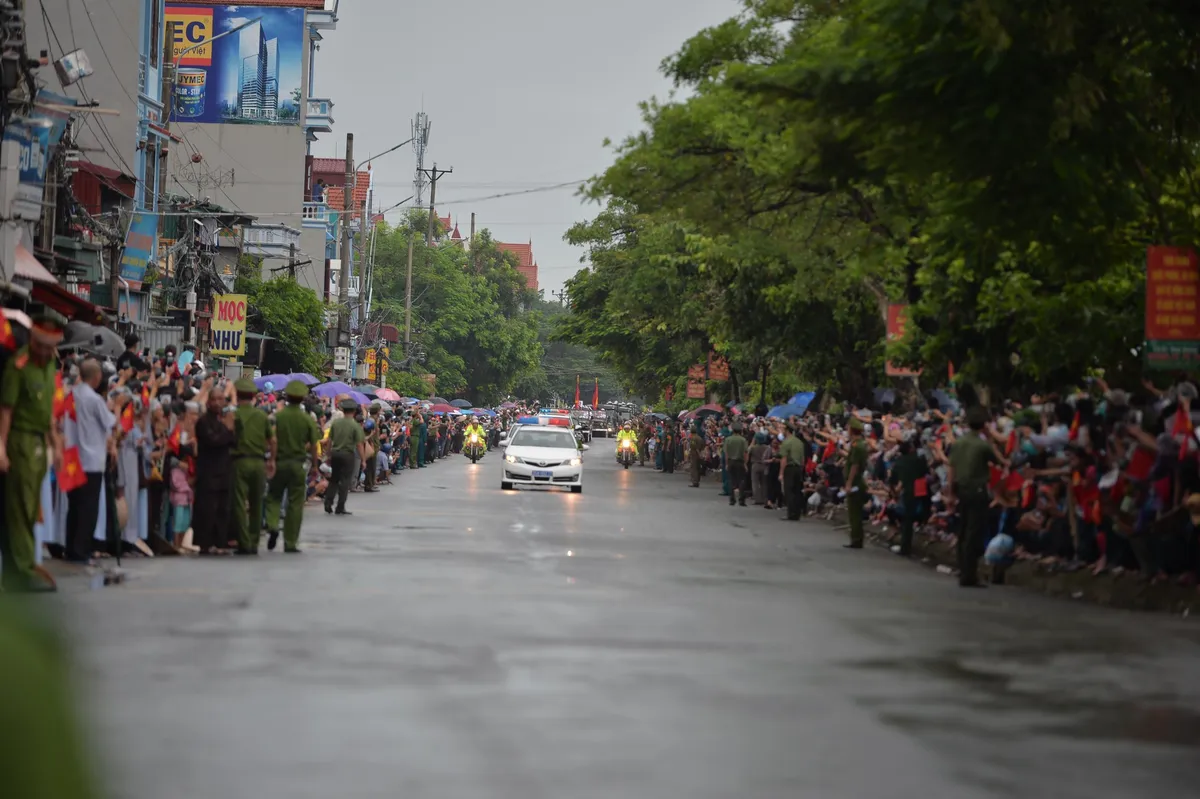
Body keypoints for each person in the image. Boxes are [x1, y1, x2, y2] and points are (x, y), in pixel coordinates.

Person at [0, 311, 65, 592]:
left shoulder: (50, 365)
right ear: (32, 339)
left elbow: (48, 410)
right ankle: (22, 569)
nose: (44, 351)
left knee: (32, 507)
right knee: (20, 507)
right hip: (19, 440)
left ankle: (24, 568)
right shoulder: (19, 366)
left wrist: (55, 444)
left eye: (50, 346)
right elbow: (6, 411)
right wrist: (1, 448)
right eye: (40, 345)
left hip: (40, 442)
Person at [64, 358, 115, 563]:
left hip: (72, 457)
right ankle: (82, 549)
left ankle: (71, 547)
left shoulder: (71, 395)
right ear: (97, 377)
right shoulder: (95, 400)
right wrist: (114, 407)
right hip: (92, 459)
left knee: (74, 505)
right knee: (88, 507)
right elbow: (109, 422)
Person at [947, 406, 1003, 587]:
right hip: (977, 492)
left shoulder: (958, 443)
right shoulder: (982, 445)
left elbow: (951, 468)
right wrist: (990, 437)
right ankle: (969, 574)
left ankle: (963, 570)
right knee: (973, 533)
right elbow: (1000, 461)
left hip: (961, 490)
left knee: (963, 532)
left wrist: (950, 493)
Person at [265, 381, 320, 553]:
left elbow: (270, 439)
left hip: (279, 462)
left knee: (273, 497)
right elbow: (313, 444)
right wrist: (315, 466)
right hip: (298, 465)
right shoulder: (307, 419)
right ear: (303, 398)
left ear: (287, 397)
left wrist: (271, 460)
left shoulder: (278, 416)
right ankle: (290, 542)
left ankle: (273, 524)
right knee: (295, 504)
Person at [230, 377, 275, 555]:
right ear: (254, 395)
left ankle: (244, 542)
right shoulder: (261, 415)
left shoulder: (233, 415)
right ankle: (254, 542)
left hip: (239, 461)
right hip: (258, 462)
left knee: (239, 503)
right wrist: (271, 460)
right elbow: (272, 440)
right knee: (257, 502)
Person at [192, 382, 235, 554]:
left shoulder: (223, 420)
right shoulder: (203, 422)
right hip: (208, 472)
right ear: (208, 402)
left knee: (223, 509)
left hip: (224, 471)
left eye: (221, 399)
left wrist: (229, 429)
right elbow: (213, 441)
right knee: (207, 509)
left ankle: (220, 542)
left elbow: (233, 440)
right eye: (214, 399)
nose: (218, 403)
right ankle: (205, 543)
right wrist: (228, 429)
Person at [889, 437, 929, 557]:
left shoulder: (899, 461)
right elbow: (925, 471)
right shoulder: (918, 460)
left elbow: (892, 480)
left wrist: (894, 493)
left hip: (906, 491)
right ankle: (906, 546)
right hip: (918, 491)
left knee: (907, 519)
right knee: (911, 518)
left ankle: (905, 546)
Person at [326, 397, 365, 515]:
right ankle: (340, 506)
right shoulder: (355, 426)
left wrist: (328, 454)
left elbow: (329, 440)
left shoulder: (336, 423)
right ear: (354, 411)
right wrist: (363, 460)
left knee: (334, 479)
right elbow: (359, 444)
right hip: (347, 454)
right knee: (344, 481)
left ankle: (328, 503)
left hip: (335, 453)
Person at [844, 417, 869, 549]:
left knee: (854, 512)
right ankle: (856, 538)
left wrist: (849, 483)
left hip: (856, 482)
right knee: (855, 512)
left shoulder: (857, 446)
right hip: (857, 481)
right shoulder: (859, 444)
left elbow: (855, 466)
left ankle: (856, 539)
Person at [778, 423, 806, 520]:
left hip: (789, 468)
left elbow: (784, 459)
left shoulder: (786, 442)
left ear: (787, 430)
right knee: (797, 491)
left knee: (789, 491)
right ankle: (797, 514)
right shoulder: (799, 442)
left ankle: (790, 513)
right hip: (798, 468)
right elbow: (802, 459)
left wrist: (781, 473)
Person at [723, 421, 749, 506]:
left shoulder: (728, 439)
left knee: (731, 480)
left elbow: (726, 453)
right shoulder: (743, 440)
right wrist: (745, 463)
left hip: (731, 461)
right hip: (740, 462)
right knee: (741, 480)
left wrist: (726, 463)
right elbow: (745, 453)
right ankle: (741, 500)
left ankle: (732, 499)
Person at [688, 423, 704, 487]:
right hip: (699, 454)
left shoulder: (693, 438)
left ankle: (695, 482)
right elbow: (702, 447)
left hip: (694, 454)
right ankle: (697, 480)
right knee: (698, 468)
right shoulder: (700, 438)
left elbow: (694, 447)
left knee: (694, 468)